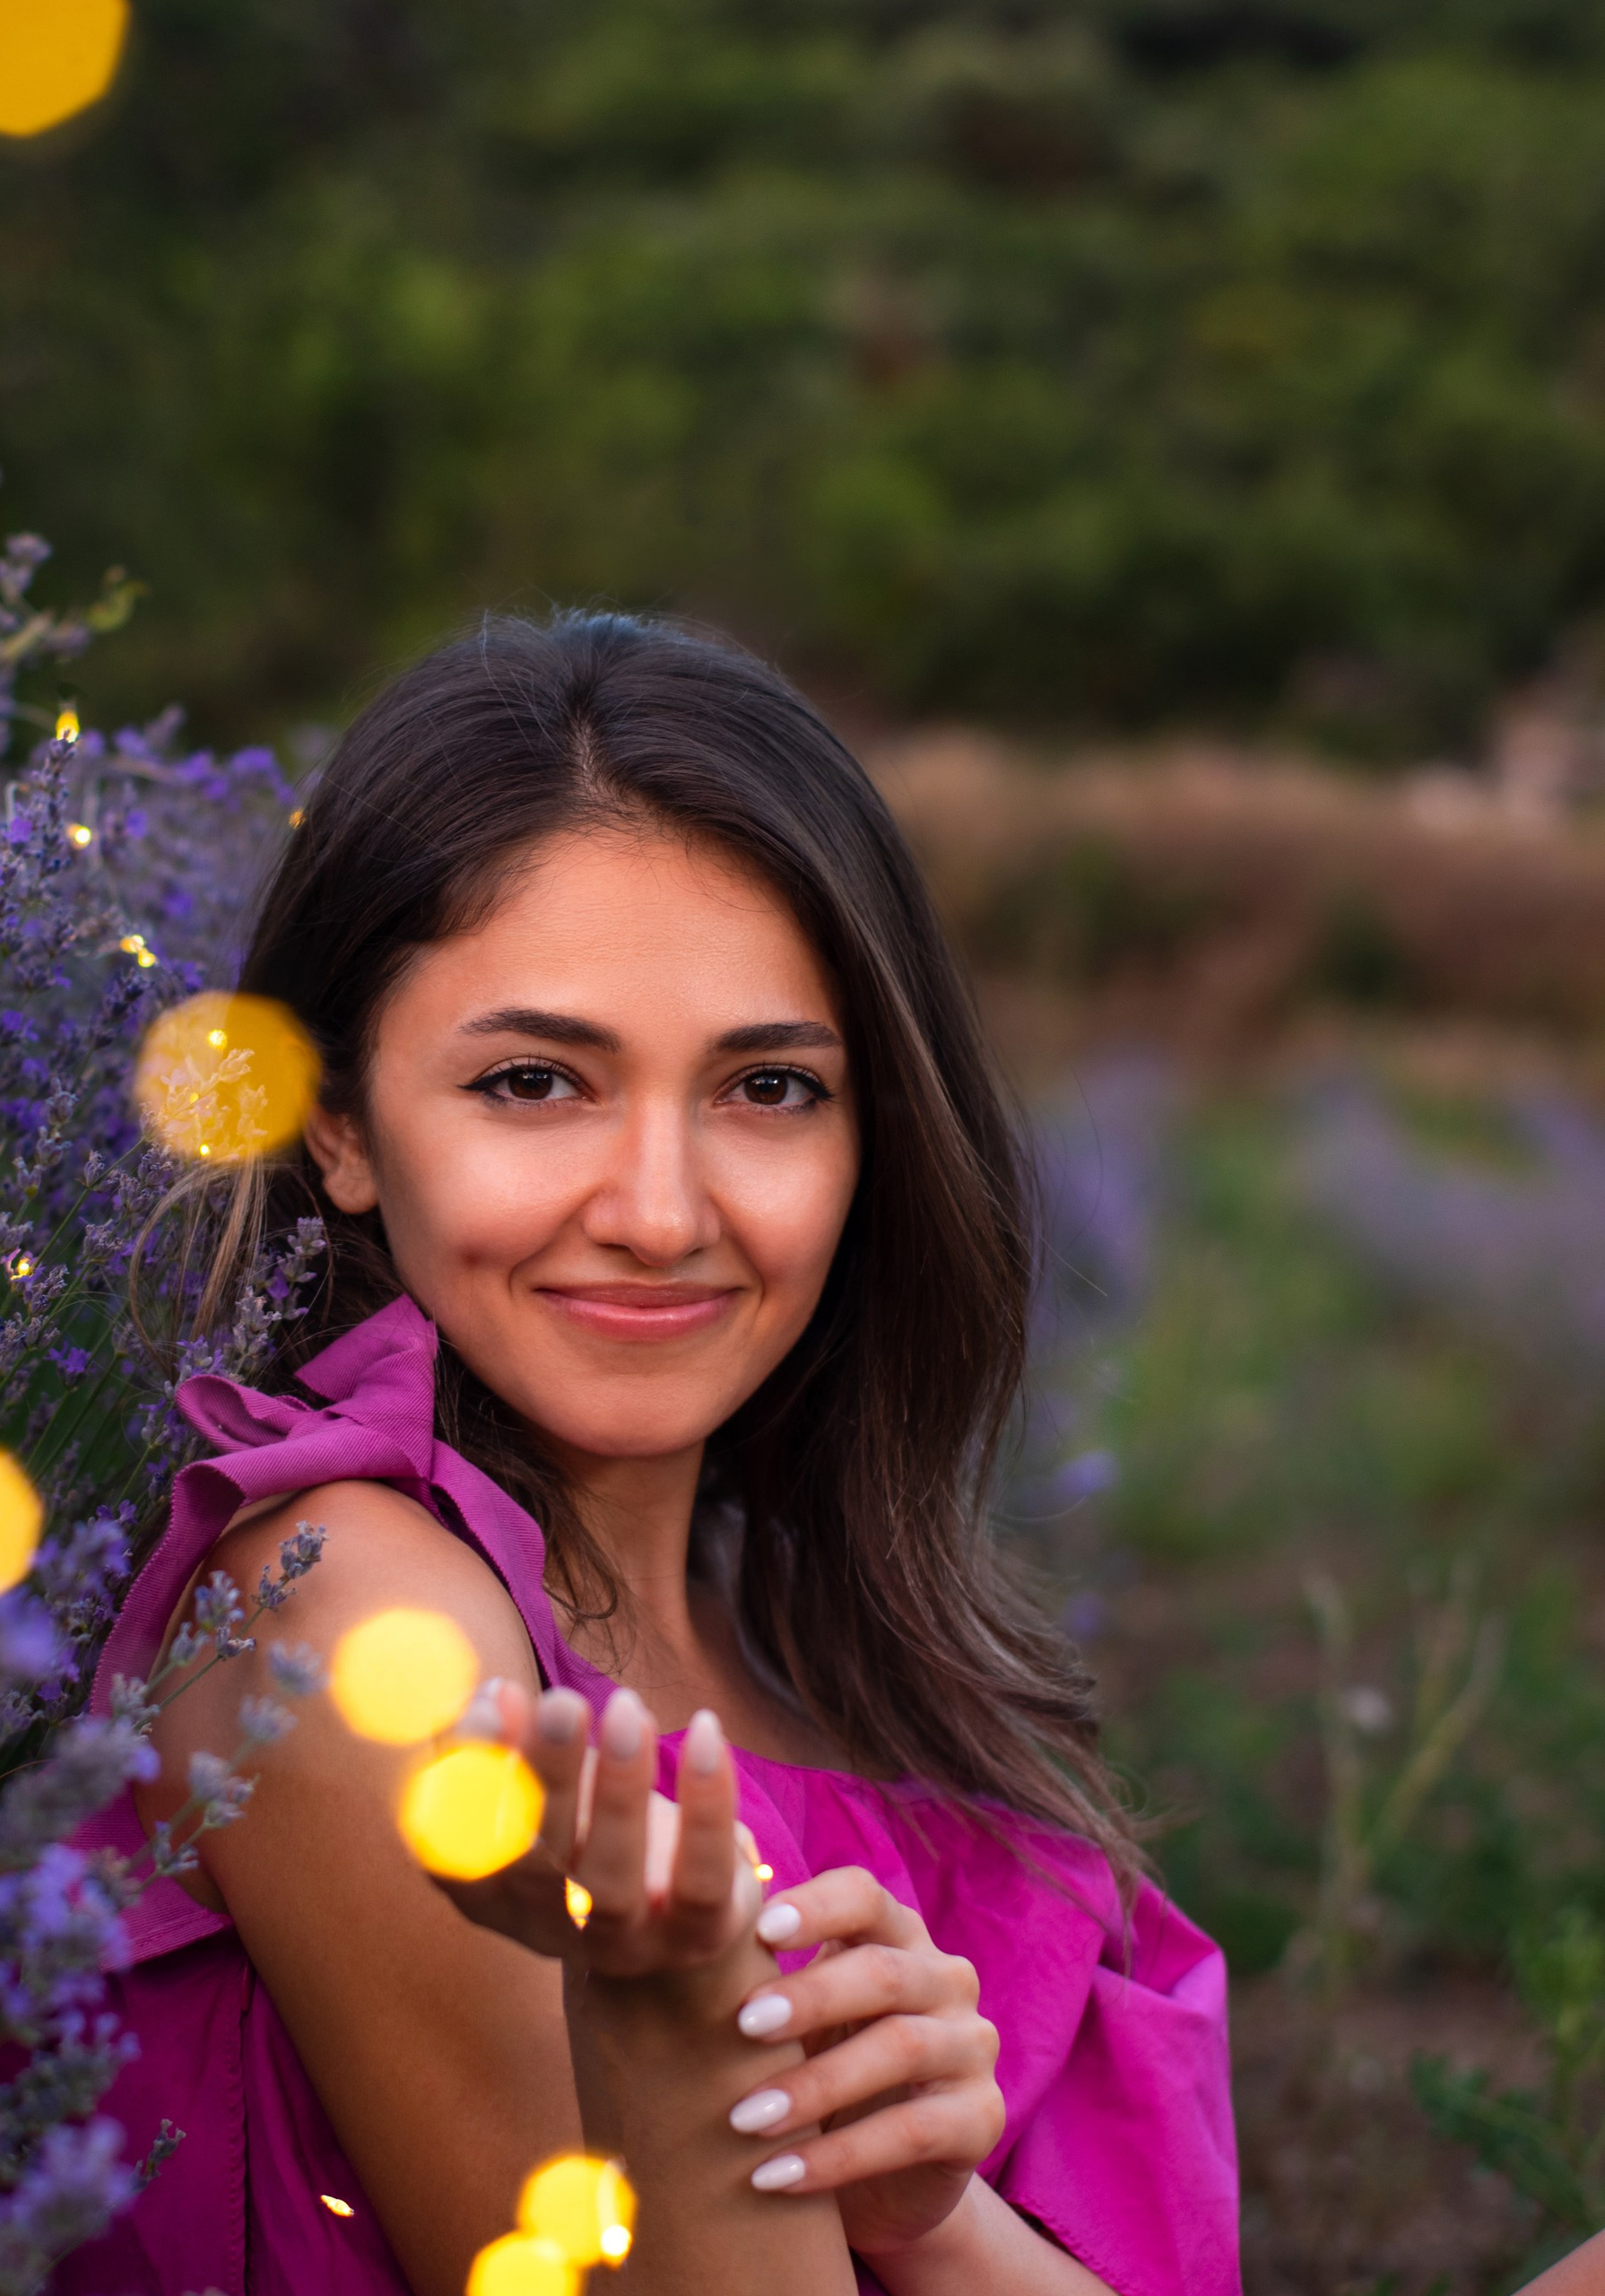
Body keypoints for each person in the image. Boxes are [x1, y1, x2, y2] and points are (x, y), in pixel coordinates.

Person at [59, 614, 1237, 2296]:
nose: (663, 1214)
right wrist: (680, 2049)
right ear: (337, 1125)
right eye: (536, 1082)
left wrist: (928, 2218)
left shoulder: (822, 1636)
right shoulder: (354, 1628)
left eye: (767, 1090)